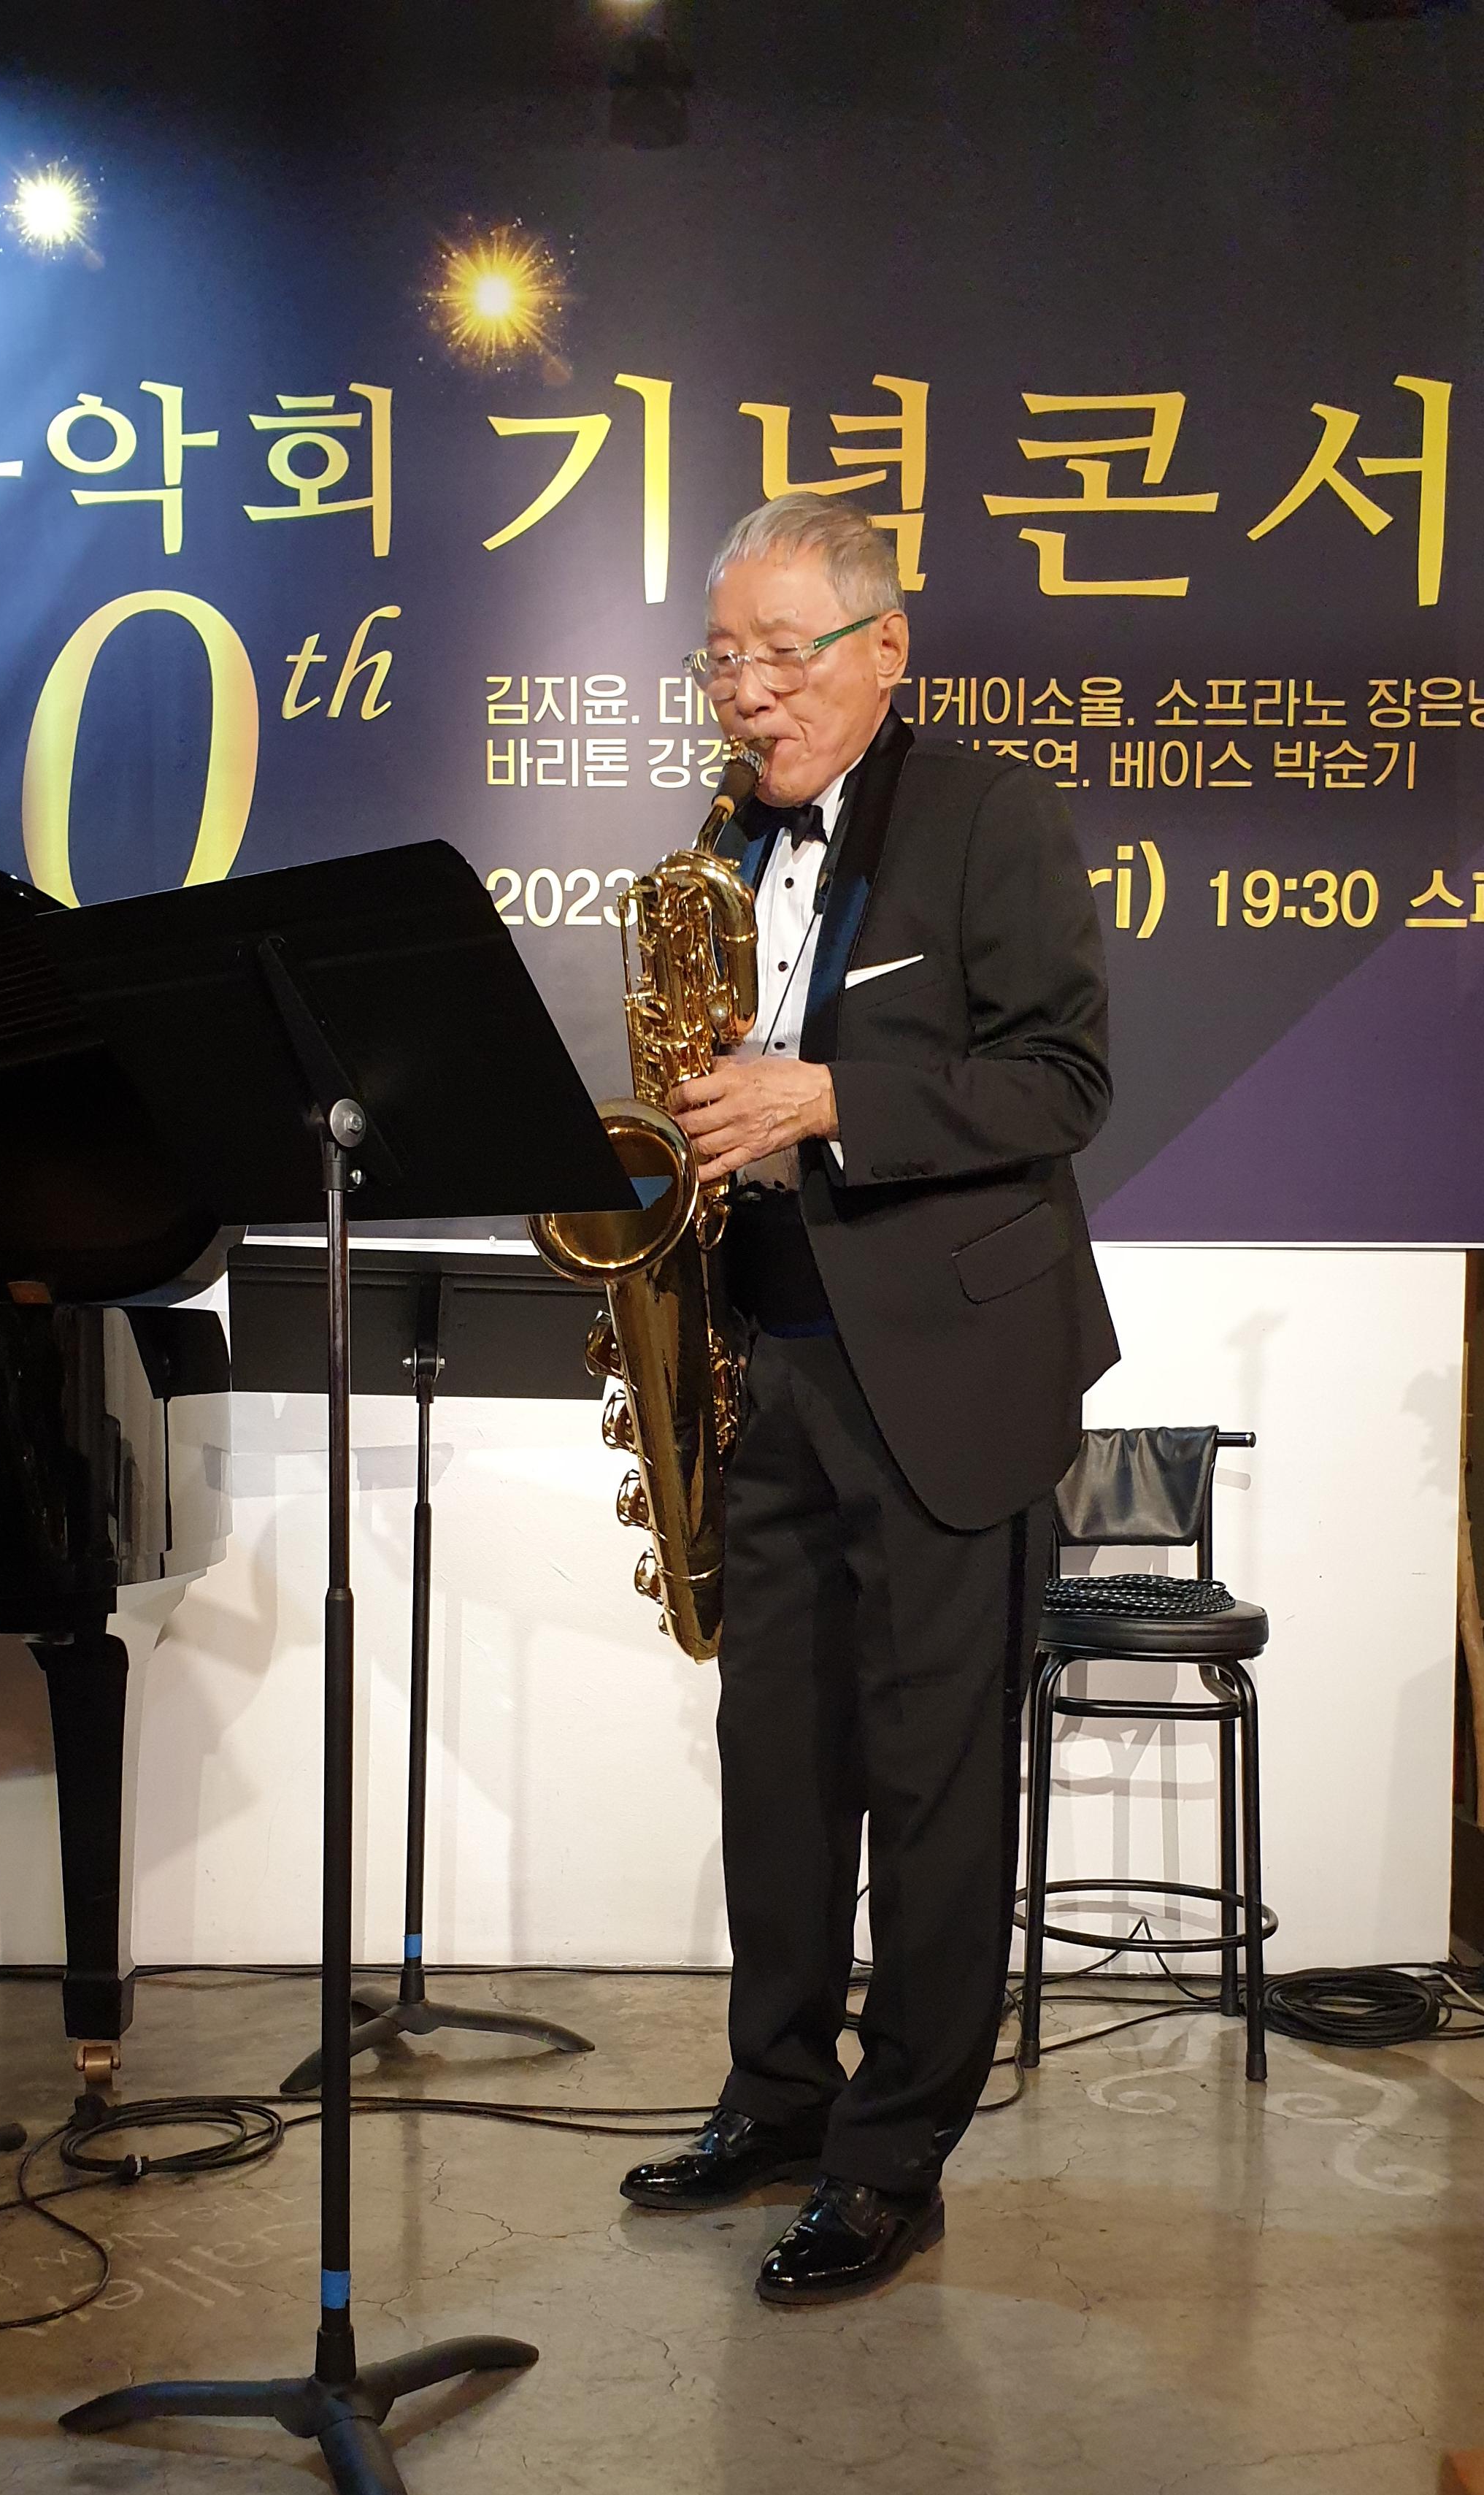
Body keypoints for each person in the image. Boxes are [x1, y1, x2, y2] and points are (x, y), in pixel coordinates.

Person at [619, 492, 1118, 2304]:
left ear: (884, 649)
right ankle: (775, 2097)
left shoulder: (988, 812)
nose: (747, 694)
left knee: (931, 1782)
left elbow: (1064, 1080)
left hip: (949, 1371)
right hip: (761, 1351)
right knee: (778, 1759)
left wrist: (828, 1097)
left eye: (781, 655)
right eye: (720, 662)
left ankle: (894, 2155)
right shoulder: (719, 838)